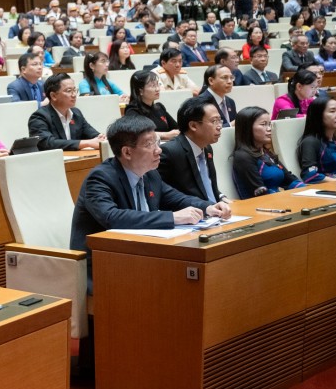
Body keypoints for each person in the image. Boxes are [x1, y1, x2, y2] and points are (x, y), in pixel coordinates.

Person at [69, 114, 228, 281]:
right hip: (103, 267)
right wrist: (172, 217)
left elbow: (176, 198)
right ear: (127, 152)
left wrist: (208, 207)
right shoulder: (100, 178)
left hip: (141, 257)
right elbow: (111, 217)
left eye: (157, 142)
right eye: (149, 144)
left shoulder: (150, 174)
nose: (158, 149)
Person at [156, 97, 230, 205]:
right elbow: (160, 192)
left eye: (220, 120)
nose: (219, 126)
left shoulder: (207, 148)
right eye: (214, 121)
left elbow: (206, 185)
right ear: (193, 126)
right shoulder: (170, 152)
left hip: (216, 213)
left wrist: (221, 197)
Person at [231, 106, 304, 198]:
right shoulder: (243, 157)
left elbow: (289, 179)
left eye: (269, 124)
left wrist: (306, 191)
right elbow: (260, 193)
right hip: (262, 207)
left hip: (278, 200)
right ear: (248, 128)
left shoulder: (266, 152)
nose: (269, 129)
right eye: (263, 124)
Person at [28, 74, 105, 152]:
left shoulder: (76, 113)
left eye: (75, 90)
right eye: (69, 91)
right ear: (53, 96)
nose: (74, 95)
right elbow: (47, 143)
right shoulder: (39, 117)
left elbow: (92, 134)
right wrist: (87, 143)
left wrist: (100, 138)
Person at [125, 70, 179, 142]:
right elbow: (138, 133)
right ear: (140, 91)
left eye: (158, 84)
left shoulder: (159, 107)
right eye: (153, 86)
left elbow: (176, 127)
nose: (157, 89)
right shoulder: (133, 110)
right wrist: (165, 135)